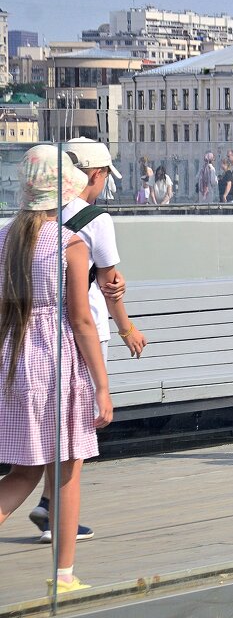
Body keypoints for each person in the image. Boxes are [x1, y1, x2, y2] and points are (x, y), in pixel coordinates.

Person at [0, 146, 111, 595]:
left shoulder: (5, 238)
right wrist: (102, 388)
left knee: (23, 472)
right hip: (57, 358)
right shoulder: (71, 243)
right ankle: (64, 577)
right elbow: (82, 321)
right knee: (65, 471)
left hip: (14, 355)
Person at [26, 139, 148, 545]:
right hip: (83, 330)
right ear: (93, 175)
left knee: (50, 425)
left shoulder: (29, 219)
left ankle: (47, 502)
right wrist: (128, 328)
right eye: (101, 179)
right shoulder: (94, 218)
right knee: (77, 427)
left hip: (31, 338)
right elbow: (110, 285)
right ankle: (58, 518)